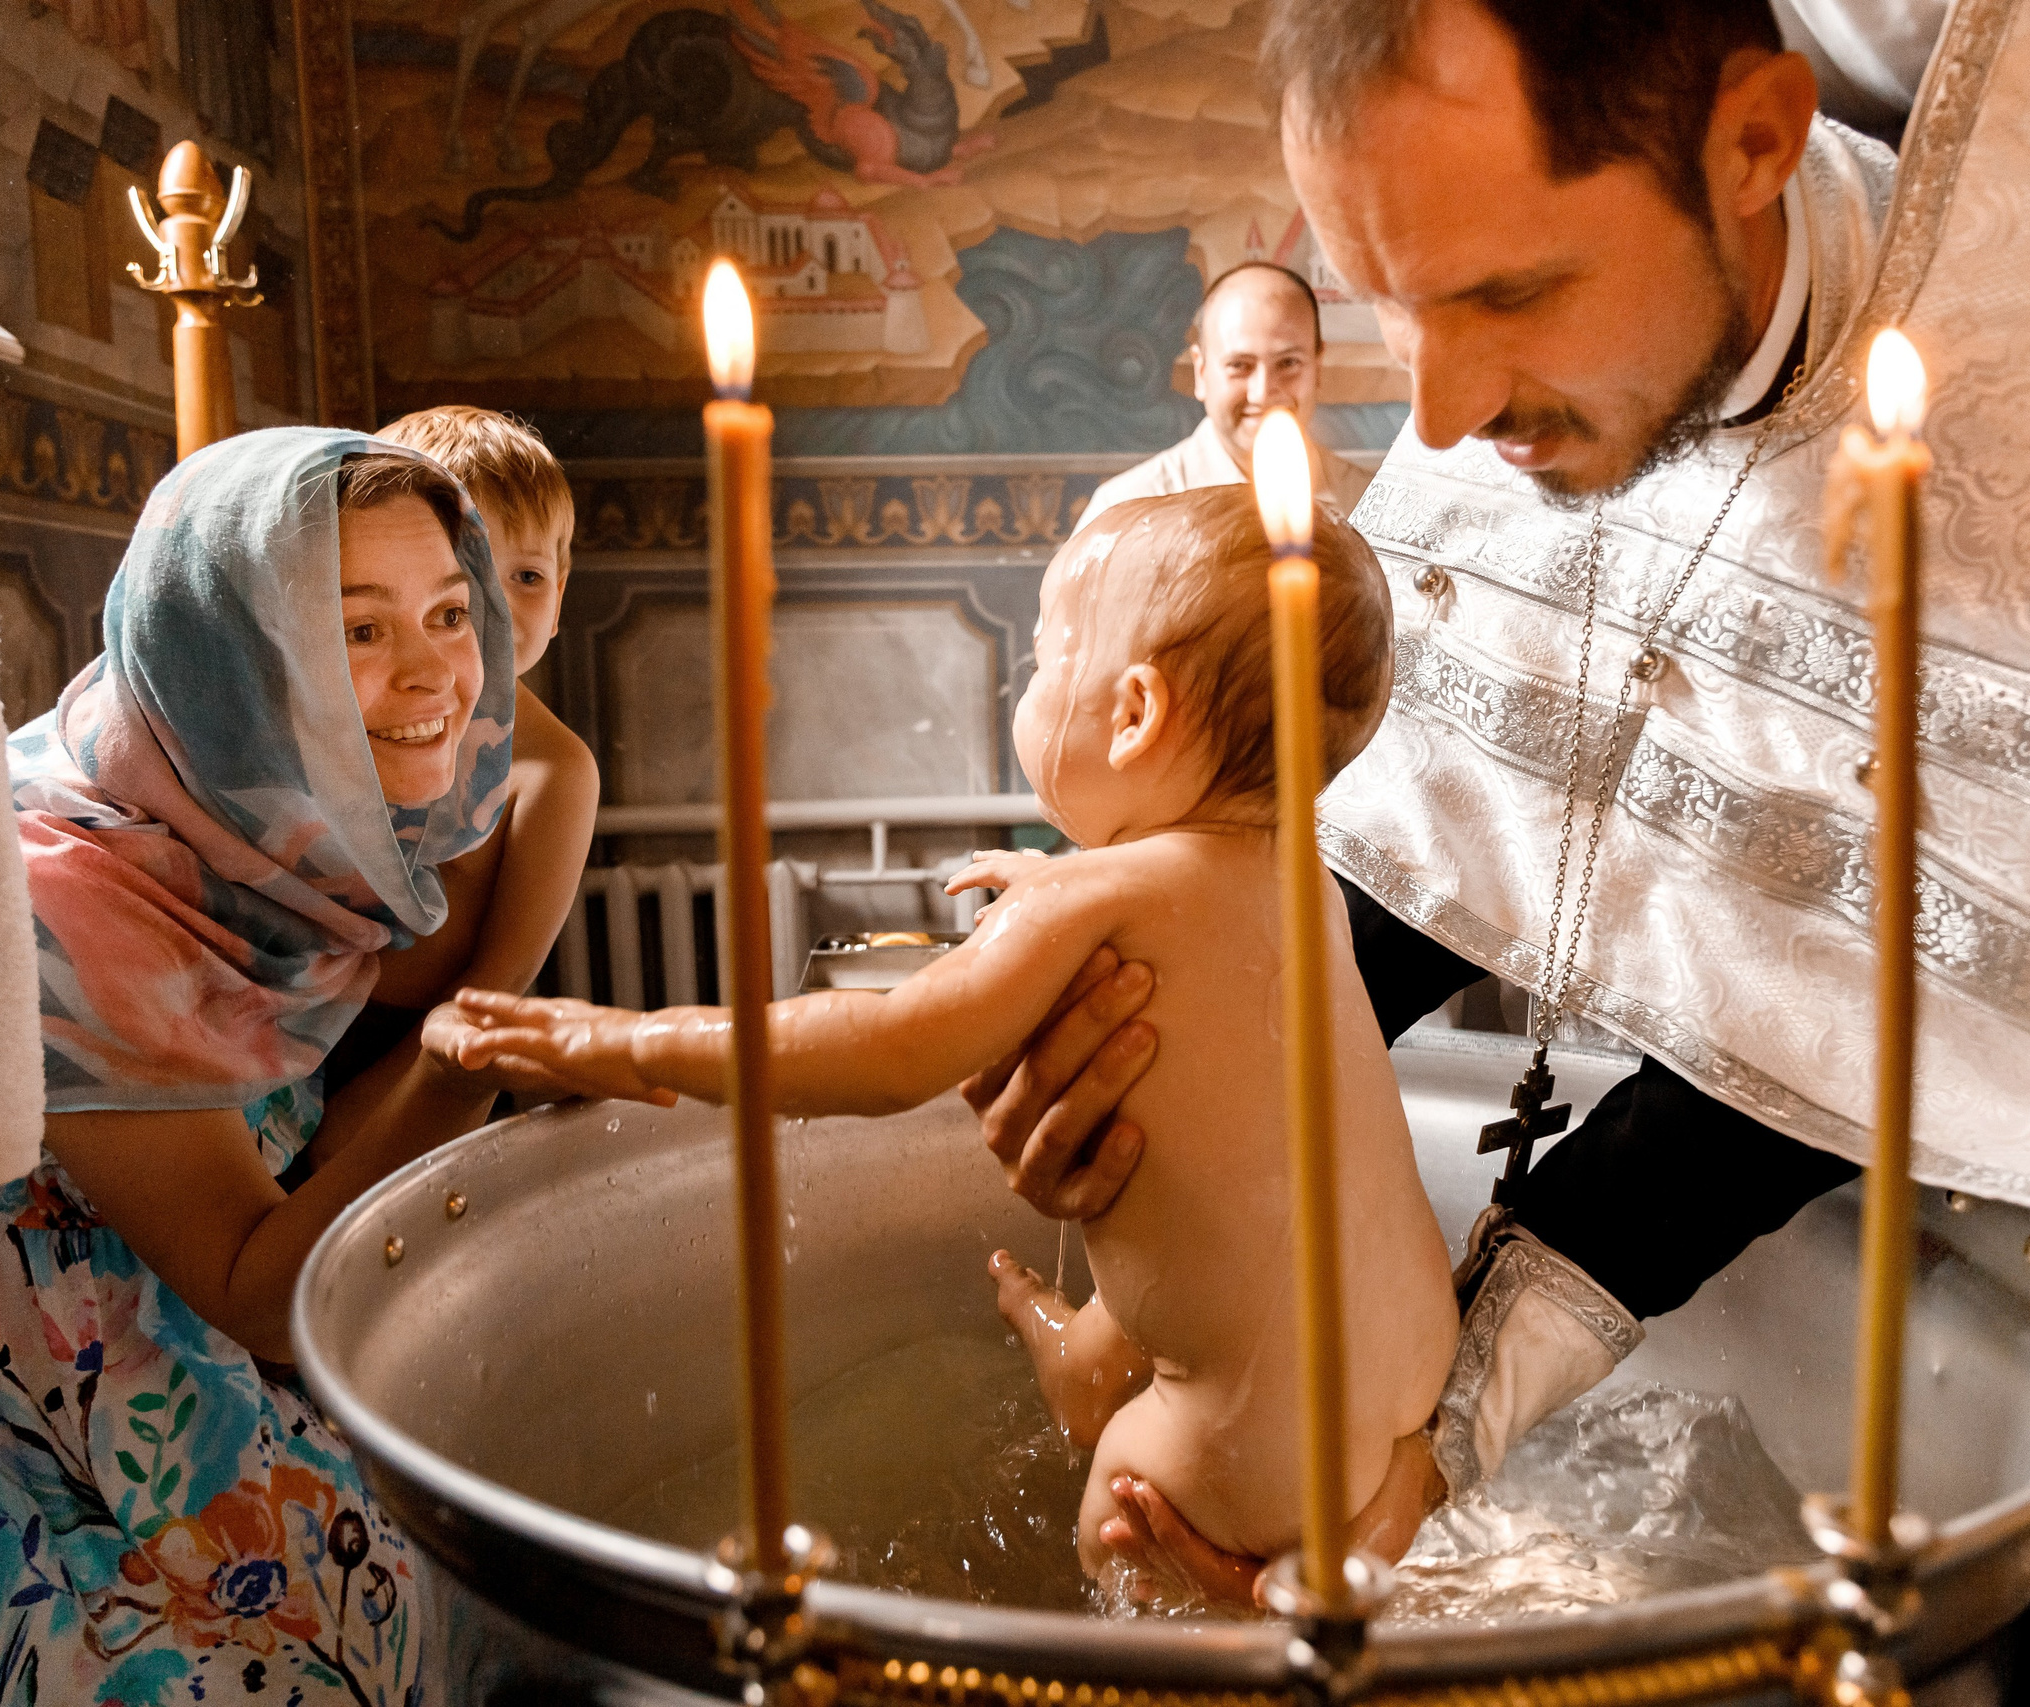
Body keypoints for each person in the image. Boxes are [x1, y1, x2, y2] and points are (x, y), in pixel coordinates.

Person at [962, 0, 2030, 1696]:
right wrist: (1144, 1035)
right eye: (1388, 299)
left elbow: (1849, 995)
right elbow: (1422, 827)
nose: (1441, 415)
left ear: (1755, 144)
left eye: (1506, 295)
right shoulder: (1558, 335)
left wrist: (1438, 1433)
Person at [445, 487, 1459, 1579]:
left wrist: (628, 1040)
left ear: (1132, 715)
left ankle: (1122, 1481)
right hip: (1404, 1388)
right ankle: (1085, 1362)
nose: (1030, 684)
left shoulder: (1094, 904)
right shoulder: (1307, 888)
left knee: (1122, 1567)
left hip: (1234, 1445)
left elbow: (889, 1051)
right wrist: (1060, 891)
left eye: (1044, 663)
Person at [0, 429, 568, 1705]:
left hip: (187, 1357)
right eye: (359, 628)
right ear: (229, 652)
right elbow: (253, 1289)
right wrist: (464, 1068)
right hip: (48, 1448)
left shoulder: (239, 821)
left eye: (452, 612)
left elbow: (306, 1118)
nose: (438, 670)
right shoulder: (57, 902)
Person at [317, 406, 600, 1138]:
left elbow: (495, 988)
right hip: (283, 1038)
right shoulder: (342, 723)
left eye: (528, 575)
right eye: (466, 575)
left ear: (561, 593)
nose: (495, 605)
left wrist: (349, 1130)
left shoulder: (554, 773)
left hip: (428, 1062)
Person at [1074, 263, 1373, 530]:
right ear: (1201, 371)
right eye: (1239, 366)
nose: (1262, 393)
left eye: (1288, 363)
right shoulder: (1122, 516)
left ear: (1317, 367)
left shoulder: (1373, 509)